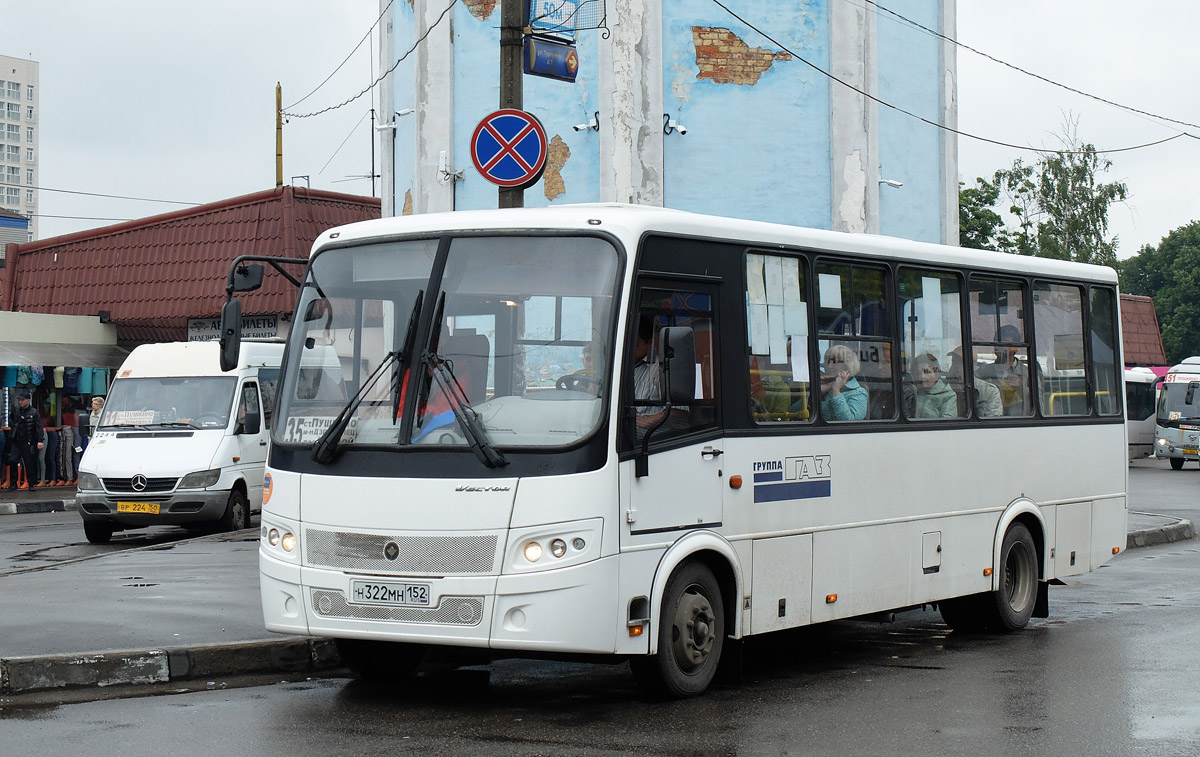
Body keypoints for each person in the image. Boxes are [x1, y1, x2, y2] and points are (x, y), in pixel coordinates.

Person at [977, 325, 1029, 416]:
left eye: (1005, 343)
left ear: (1015, 347)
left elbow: (1038, 403)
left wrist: (1021, 389)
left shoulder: (1028, 373)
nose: (999, 346)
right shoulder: (982, 372)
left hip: (1019, 421)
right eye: (996, 342)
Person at [818, 344, 868, 421]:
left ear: (847, 365)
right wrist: (817, 393)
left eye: (834, 362)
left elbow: (849, 421)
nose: (829, 366)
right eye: (827, 362)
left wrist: (836, 391)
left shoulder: (858, 392)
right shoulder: (825, 385)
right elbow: (795, 410)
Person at [632, 318, 665, 429]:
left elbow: (680, 411)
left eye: (635, 346)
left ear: (650, 343)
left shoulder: (660, 369)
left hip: (652, 437)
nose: (630, 350)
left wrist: (647, 421)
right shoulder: (621, 369)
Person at [9, 393, 45, 490]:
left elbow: (39, 426)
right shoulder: (16, 410)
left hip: (28, 440)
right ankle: (13, 483)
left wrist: (40, 440)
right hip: (16, 440)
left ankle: (31, 483)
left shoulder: (33, 412)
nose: (20, 402)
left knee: (29, 462)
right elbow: (10, 419)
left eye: (22, 400)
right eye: (19, 400)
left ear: (28, 400)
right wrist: (14, 426)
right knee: (13, 460)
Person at [910, 353, 958, 419]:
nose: (922, 376)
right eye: (918, 373)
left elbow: (947, 423)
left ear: (937, 374)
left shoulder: (948, 395)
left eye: (927, 372)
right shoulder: (912, 393)